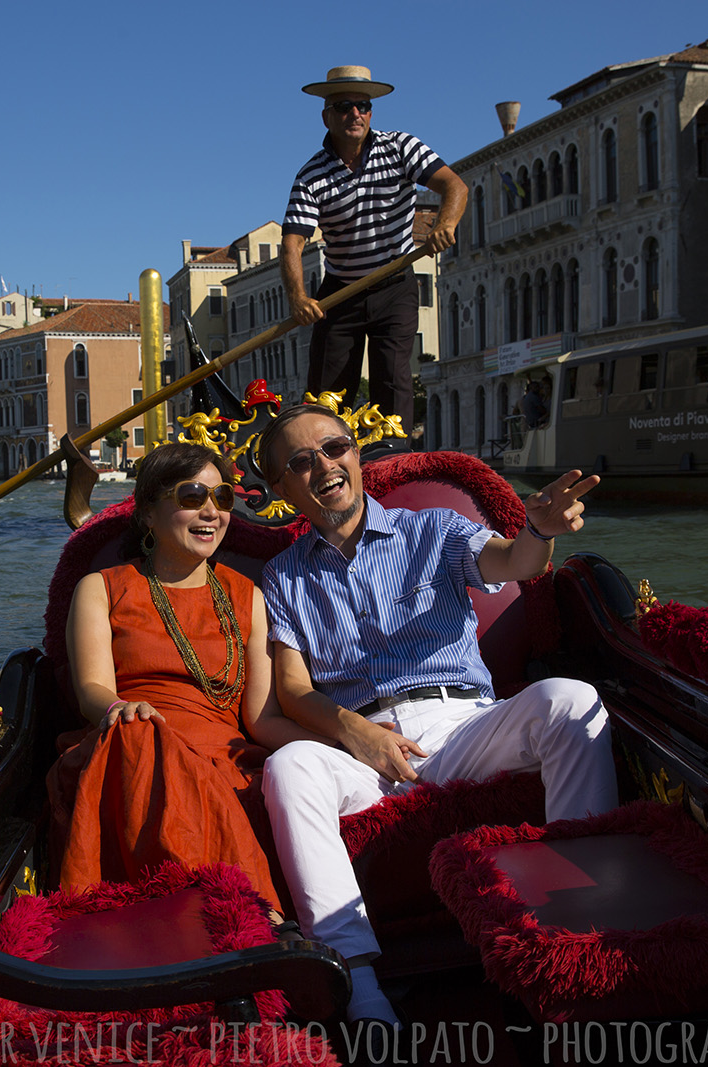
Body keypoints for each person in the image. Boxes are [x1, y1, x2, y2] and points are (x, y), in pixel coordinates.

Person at [255, 404, 617, 1027]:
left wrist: (539, 531)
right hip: (364, 752)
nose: (324, 467)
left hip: (464, 727)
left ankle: (578, 935)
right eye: (300, 463)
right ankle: (359, 986)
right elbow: (290, 691)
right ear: (281, 489)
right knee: (289, 766)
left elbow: (511, 563)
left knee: (571, 700)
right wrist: (358, 734)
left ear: (356, 455)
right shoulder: (283, 577)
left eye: (334, 448)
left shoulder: (434, 530)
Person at [48, 441, 328, 914]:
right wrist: (121, 710)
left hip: (223, 756)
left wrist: (339, 746)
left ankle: (238, 917)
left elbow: (261, 718)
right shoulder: (101, 587)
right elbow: (91, 690)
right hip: (130, 743)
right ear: (149, 513)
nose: (211, 512)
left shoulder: (249, 597)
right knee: (139, 734)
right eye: (192, 496)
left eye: (221, 499)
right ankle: (255, 914)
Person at [281, 66, 467, 430]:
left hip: (394, 285)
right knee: (327, 395)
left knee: (394, 385)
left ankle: (393, 468)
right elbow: (293, 241)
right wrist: (299, 298)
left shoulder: (401, 147)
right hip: (340, 293)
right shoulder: (311, 176)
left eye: (363, 106)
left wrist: (445, 224)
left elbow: (454, 186)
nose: (355, 114)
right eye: (344, 106)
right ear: (326, 116)